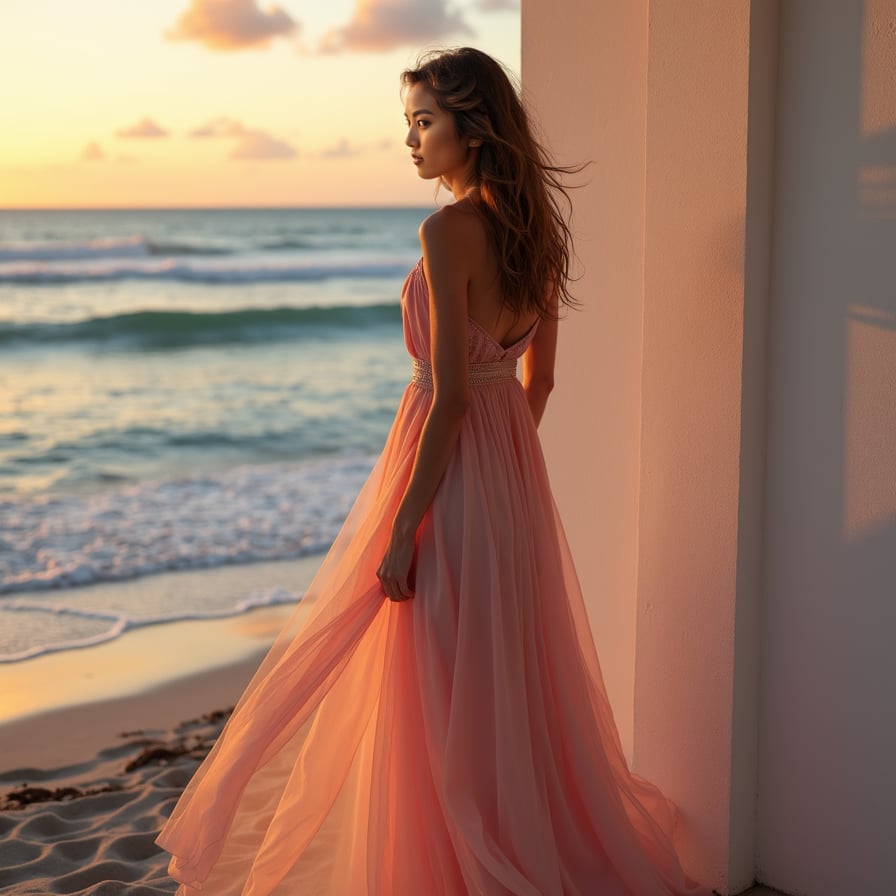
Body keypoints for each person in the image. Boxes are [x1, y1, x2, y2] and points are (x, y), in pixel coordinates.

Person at [156, 47, 711, 896]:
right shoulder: (538, 234)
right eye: (408, 124)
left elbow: (450, 395)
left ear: (472, 127)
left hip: (446, 477)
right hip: (511, 484)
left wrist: (412, 521)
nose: (411, 141)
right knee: (502, 691)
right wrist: (500, 477)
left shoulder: (446, 232)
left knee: (436, 694)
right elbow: (541, 380)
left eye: (423, 122)